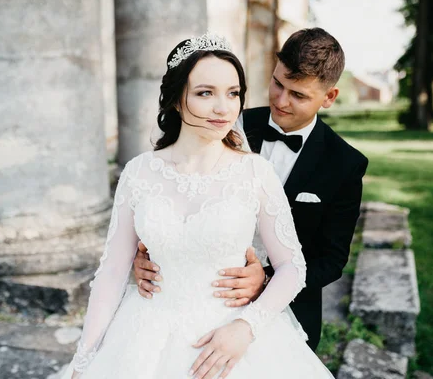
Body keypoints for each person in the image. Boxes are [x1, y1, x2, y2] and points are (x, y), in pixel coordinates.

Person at [61, 33, 333, 379]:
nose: (224, 108)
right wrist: (84, 359)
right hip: (145, 335)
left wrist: (246, 327)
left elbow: (292, 266)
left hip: (232, 338)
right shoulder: (138, 173)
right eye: (206, 93)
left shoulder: (254, 172)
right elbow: (112, 272)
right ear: (176, 99)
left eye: (233, 93)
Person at [134, 27, 369, 351]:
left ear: (329, 97)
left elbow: (331, 259)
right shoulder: (227, 121)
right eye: (277, 84)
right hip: (194, 302)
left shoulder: (345, 164)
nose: (281, 101)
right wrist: (146, 253)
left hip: (288, 311)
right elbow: (174, 189)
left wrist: (267, 280)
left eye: (298, 95)